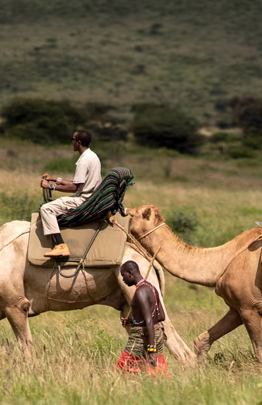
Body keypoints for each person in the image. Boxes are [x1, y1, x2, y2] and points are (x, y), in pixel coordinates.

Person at [38, 129, 102, 258]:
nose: (71, 142)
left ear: (78, 142)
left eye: (72, 139)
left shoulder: (84, 161)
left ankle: (60, 246)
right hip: (90, 196)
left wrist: (50, 186)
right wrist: (55, 179)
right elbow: (78, 183)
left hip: (84, 199)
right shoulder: (92, 156)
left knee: (46, 208)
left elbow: (74, 187)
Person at [116, 261, 169, 376]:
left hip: (141, 336)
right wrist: (132, 321)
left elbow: (149, 321)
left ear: (130, 273)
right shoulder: (152, 288)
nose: (123, 280)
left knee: (123, 369)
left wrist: (151, 351)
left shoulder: (141, 292)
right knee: (157, 372)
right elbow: (160, 316)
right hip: (156, 333)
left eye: (123, 275)